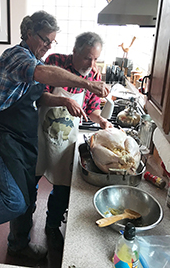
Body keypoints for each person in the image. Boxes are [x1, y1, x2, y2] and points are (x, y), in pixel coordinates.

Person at [0, 11, 109, 262]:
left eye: (52, 41)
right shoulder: (17, 56)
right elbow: (42, 73)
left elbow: (38, 97)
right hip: (5, 138)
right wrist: (87, 84)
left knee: (28, 197)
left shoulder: (32, 57)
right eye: (45, 39)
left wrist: (75, 104)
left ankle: (18, 245)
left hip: (25, 137)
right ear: (29, 33)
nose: (49, 46)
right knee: (15, 202)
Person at [7, 32, 113, 259]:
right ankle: (23, 230)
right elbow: (39, 97)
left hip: (65, 142)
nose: (91, 64)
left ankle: (52, 227)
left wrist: (102, 120)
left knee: (63, 188)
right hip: (39, 136)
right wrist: (65, 100)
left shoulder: (94, 75)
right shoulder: (55, 62)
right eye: (87, 58)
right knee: (29, 185)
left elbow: (92, 110)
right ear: (74, 52)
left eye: (95, 59)